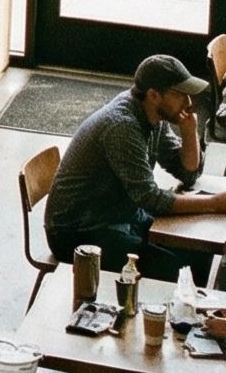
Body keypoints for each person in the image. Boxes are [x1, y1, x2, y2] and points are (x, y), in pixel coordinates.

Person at [44, 55, 220, 278]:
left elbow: (188, 173)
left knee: (198, 254)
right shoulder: (122, 127)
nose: (188, 102)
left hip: (116, 216)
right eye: (180, 94)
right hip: (77, 232)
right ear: (154, 95)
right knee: (174, 269)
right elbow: (150, 198)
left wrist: (188, 131)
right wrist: (214, 203)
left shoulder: (153, 115)